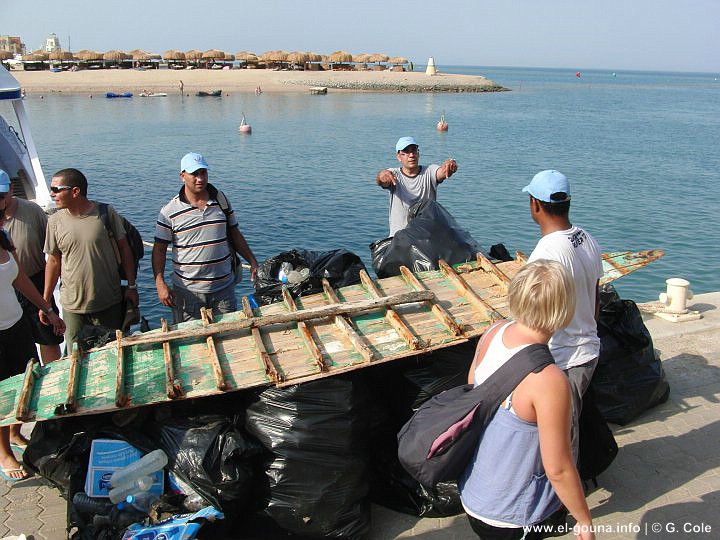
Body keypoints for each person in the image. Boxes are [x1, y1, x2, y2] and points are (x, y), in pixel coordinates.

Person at [459, 260, 594, 540]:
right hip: (513, 515)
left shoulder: (492, 333)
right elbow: (557, 467)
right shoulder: (549, 379)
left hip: (475, 492)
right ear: (565, 312)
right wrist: (583, 519)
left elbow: (474, 388)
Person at [523, 169, 603, 460]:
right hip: (588, 348)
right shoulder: (586, 238)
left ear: (536, 205)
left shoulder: (547, 253)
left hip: (565, 358)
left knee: (561, 437)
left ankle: (561, 499)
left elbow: (534, 319)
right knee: (568, 425)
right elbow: (595, 300)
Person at [153, 152, 258, 323]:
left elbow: (234, 233)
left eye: (203, 173)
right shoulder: (169, 212)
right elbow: (159, 250)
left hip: (223, 290)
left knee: (229, 336)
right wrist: (160, 283)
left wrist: (252, 260)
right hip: (188, 293)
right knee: (192, 342)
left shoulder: (221, 201)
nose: (200, 178)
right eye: (194, 174)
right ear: (182, 176)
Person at [1, 200, 65, 482]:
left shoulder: (3, 238)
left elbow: (20, 279)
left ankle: (15, 433)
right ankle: (4, 453)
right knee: (1, 394)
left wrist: (48, 308)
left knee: (20, 383)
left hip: (16, 326)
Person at [43, 168, 139, 351]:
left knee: (112, 352)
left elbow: (124, 248)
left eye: (56, 189)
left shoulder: (105, 213)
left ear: (75, 191)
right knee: (75, 356)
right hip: (73, 307)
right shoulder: (54, 221)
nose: (52, 194)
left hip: (108, 302)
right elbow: (54, 261)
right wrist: (45, 301)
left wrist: (132, 286)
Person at [1, 169, 62, 363]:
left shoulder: (30, 213)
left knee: (46, 339)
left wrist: (48, 307)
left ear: (11, 189)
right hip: (8, 299)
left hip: (34, 282)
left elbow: (53, 251)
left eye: (1, 196)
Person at [375, 136, 458, 236]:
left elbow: (443, 172)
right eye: (405, 152)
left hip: (426, 239)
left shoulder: (429, 171)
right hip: (399, 240)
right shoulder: (394, 174)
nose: (411, 155)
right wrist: (382, 176)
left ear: (418, 153)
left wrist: (450, 164)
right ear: (398, 157)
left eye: (414, 151)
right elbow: (382, 178)